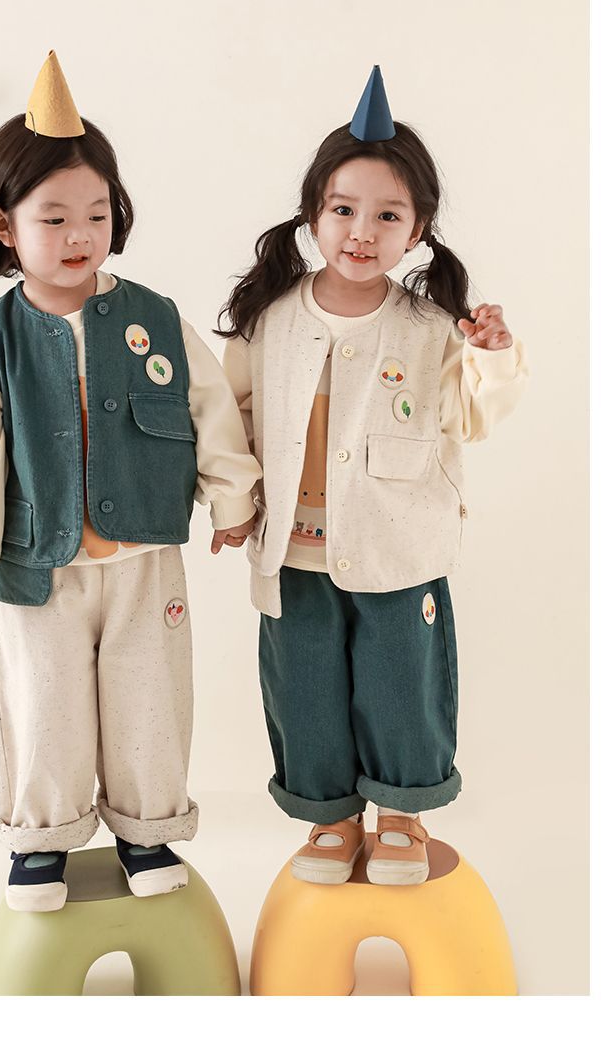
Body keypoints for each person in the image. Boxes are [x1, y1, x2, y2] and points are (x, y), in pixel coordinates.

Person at [0, 51, 260, 911]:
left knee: (151, 699)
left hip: (144, 559)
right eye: (54, 218)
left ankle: (147, 830)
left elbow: (210, 409)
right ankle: (42, 840)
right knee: (44, 707)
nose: (79, 236)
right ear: (5, 227)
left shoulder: (155, 320)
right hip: (36, 568)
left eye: (96, 215)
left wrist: (232, 498)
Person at [219, 66, 527, 887]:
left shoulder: (431, 325)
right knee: (305, 685)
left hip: (399, 547)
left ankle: (400, 813)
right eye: (343, 210)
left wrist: (492, 356)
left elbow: (471, 416)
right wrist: (231, 503)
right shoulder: (270, 319)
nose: (362, 231)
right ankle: (329, 817)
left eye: (388, 215)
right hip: (293, 549)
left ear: (418, 228)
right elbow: (229, 421)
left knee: (400, 684)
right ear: (312, 214)